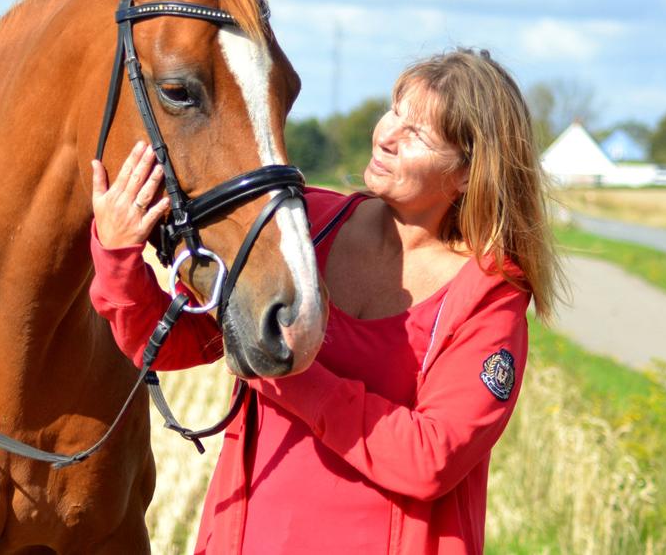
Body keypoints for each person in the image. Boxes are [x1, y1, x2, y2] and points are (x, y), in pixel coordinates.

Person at [88, 48, 562, 554]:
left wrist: (286, 376)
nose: (386, 135)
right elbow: (176, 342)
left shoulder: (487, 295)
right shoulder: (304, 227)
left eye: (417, 134)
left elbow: (433, 458)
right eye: (395, 110)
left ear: (469, 173)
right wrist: (119, 255)